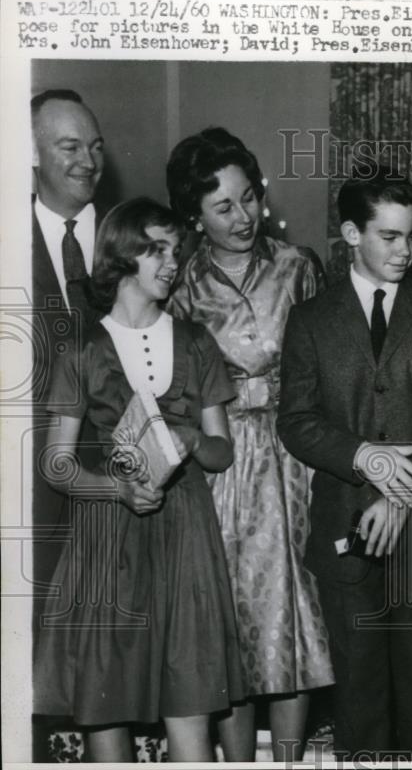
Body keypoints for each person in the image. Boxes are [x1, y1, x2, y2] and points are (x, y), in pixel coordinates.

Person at [33, 198, 245, 762]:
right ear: (123, 254)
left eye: (177, 249)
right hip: (109, 540)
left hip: (185, 540)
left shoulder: (197, 342)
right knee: (107, 705)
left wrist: (198, 442)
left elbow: (222, 452)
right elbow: (56, 463)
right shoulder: (81, 350)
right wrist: (116, 489)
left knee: (191, 706)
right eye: (158, 249)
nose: (173, 261)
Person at [277, 169, 412, 755]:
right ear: (350, 233)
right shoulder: (310, 320)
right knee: (359, 706)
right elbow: (296, 422)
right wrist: (367, 458)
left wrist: (398, 494)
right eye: (389, 237)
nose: (405, 251)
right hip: (345, 537)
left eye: (411, 237)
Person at [164, 127, 334, 761]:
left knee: (294, 618)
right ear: (194, 215)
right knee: (231, 624)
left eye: (249, 198)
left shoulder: (299, 266)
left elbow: (328, 367)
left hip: (294, 460)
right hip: (222, 464)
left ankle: (287, 761)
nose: (243, 217)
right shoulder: (180, 285)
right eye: (223, 207)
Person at [31, 89, 106, 602]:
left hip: (123, 479)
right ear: (31, 154)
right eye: (70, 147)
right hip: (30, 485)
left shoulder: (136, 239)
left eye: (96, 147)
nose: (88, 161)